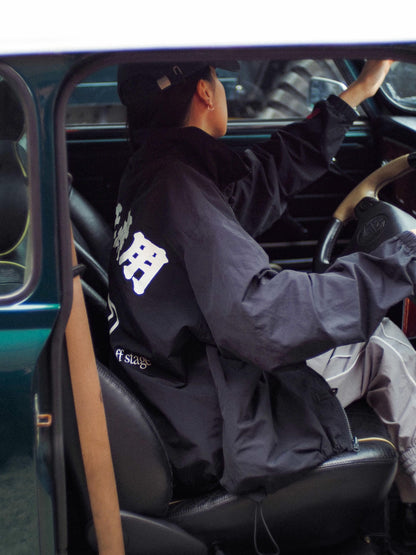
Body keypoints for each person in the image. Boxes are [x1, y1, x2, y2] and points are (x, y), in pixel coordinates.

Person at [108, 58, 416, 539]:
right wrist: (401, 260)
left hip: (180, 397)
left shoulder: (157, 173)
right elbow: (262, 316)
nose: (223, 90)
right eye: (219, 80)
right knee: (383, 347)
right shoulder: (179, 188)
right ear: (205, 93)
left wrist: (358, 92)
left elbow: (258, 181)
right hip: (214, 417)